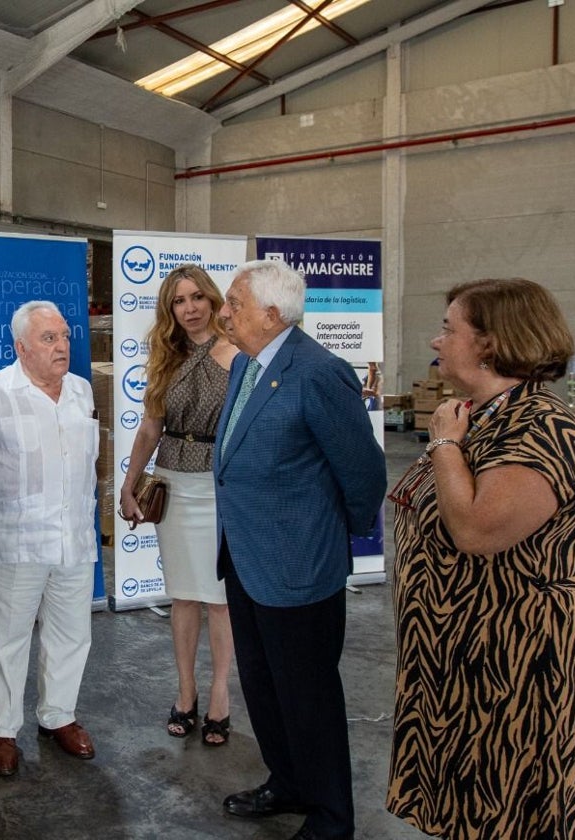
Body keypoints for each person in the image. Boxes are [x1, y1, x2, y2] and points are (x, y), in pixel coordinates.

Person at [386, 278, 575, 840]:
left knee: (506, 806)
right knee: (463, 806)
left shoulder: (544, 428)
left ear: (488, 343)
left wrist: (444, 446)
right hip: (456, 653)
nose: (436, 341)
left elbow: (476, 530)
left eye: (449, 329)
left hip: (513, 664)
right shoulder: (478, 414)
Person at [214, 259, 386, 840]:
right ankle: (287, 781)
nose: (224, 313)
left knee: (308, 695)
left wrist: (330, 541)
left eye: (234, 303)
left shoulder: (318, 372)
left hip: (299, 567)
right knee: (262, 686)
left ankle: (332, 818)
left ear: (271, 313)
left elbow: (363, 473)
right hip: (244, 558)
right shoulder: (246, 364)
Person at [0, 300, 100, 777]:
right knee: (10, 639)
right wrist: (3, 513)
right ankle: (2, 729)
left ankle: (59, 716)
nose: (62, 346)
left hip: (74, 539)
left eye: (63, 336)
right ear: (21, 347)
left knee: (72, 634)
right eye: (48, 339)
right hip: (15, 542)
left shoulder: (81, 391)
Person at [117, 265, 238, 745]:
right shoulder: (165, 357)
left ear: (211, 299)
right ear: (170, 310)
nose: (189, 309)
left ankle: (219, 694)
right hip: (172, 480)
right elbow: (150, 428)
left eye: (196, 298)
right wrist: (128, 485)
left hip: (219, 484)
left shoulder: (237, 353)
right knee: (183, 595)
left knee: (220, 601)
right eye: (178, 301)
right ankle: (185, 692)